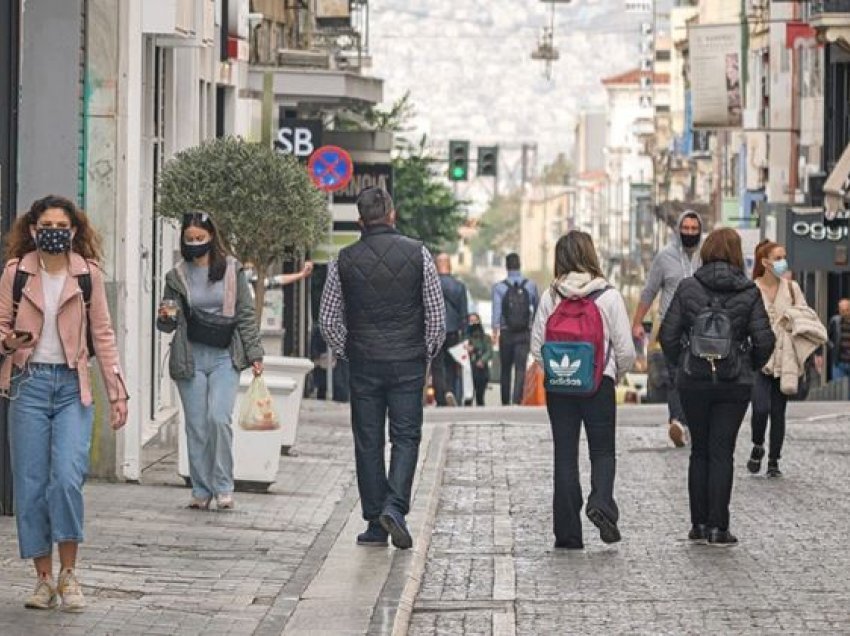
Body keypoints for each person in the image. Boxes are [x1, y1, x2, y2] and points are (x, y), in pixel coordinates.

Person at [0, 195, 129, 611]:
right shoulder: (15, 274)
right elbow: (0, 324)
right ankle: (42, 579)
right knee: (31, 486)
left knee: (67, 480)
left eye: (62, 225)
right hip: (28, 385)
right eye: (46, 226)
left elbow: (104, 335)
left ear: (73, 231)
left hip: (74, 386)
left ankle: (69, 574)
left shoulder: (87, 275)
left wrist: (117, 391)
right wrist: (8, 341)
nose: (54, 232)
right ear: (34, 230)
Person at [319, 187, 445, 550]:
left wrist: (351, 351)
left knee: (368, 441)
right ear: (392, 213)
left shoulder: (343, 260)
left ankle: (375, 522)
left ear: (360, 220)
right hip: (407, 363)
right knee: (405, 437)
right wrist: (424, 354)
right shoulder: (418, 254)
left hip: (364, 364)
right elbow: (436, 317)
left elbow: (328, 320)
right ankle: (395, 507)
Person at [660, 229, 775, 547]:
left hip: (694, 380)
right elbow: (765, 339)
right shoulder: (749, 291)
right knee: (722, 451)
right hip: (733, 384)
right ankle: (718, 527)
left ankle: (697, 524)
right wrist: (747, 363)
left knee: (699, 450)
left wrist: (684, 360)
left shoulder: (687, 288)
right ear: (738, 254)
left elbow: (666, 336)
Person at [530, 231, 636, 549]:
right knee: (602, 451)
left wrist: (558, 371)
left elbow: (537, 346)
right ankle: (601, 503)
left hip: (561, 387)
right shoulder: (608, 296)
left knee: (565, 454)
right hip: (598, 384)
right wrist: (612, 373)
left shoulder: (551, 296)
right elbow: (626, 349)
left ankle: (567, 533)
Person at [156, 211, 264, 511]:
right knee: (197, 425)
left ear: (211, 237)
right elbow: (167, 323)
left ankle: (224, 486)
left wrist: (255, 354)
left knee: (219, 418)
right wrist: (165, 316)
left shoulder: (232, 269)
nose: (194, 243)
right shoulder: (176, 275)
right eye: (189, 239)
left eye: (200, 238)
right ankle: (201, 490)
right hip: (190, 355)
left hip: (224, 355)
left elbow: (244, 313)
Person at [747, 240, 825, 477]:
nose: (783, 262)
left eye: (784, 256)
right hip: (759, 359)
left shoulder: (792, 288)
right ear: (765, 262)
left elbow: (805, 318)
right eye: (778, 258)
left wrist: (791, 317)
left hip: (786, 359)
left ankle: (773, 461)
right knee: (760, 408)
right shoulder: (751, 289)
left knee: (778, 412)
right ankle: (758, 444)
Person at [632, 210, 703, 447]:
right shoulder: (664, 257)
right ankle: (677, 422)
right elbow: (650, 291)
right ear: (678, 230)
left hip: (699, 327)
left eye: (694, 229)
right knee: (674, 377)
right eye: (686, 228)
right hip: (671, 325)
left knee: (695, 377)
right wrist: (637, 322)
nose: (690, 233)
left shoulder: (706, 255)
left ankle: (691, 421)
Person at [492, 253, 539, 405]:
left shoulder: (499, 287)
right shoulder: (530, 286)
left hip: (506, 332)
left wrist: (495, 330)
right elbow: (537, 309)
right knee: (520, 368)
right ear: (520, 265)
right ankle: (517, 400)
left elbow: (497, 311)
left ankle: (505, 401)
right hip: (524, 332)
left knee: (505, 368)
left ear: (506, 266)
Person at [433, 253, 468, 406]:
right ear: (449, 265)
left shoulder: (431, 284)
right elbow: (464, 313)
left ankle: (440, 396)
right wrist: (465, 336)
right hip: (454, 331)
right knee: (452, 365)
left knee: (437, 365)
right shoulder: (459, 286)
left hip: (436, 331)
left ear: (436, 265)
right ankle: (451, 391)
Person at [466, 312, 493, 406]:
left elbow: (489, 352)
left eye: (475, 320)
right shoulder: (465, 337)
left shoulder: (486, 338)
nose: (473, 323)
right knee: (467, 398)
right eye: (471, 321)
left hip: (481, 370)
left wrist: (482, 360)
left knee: (480, 397)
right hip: (468, 370)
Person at [828, 298, 850, 380]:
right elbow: (827, 337)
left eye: (847, 310)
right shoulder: (835, 321)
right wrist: (832, 347)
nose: (845, 313)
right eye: (842, 311)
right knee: (839, 389)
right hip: (839, 363)